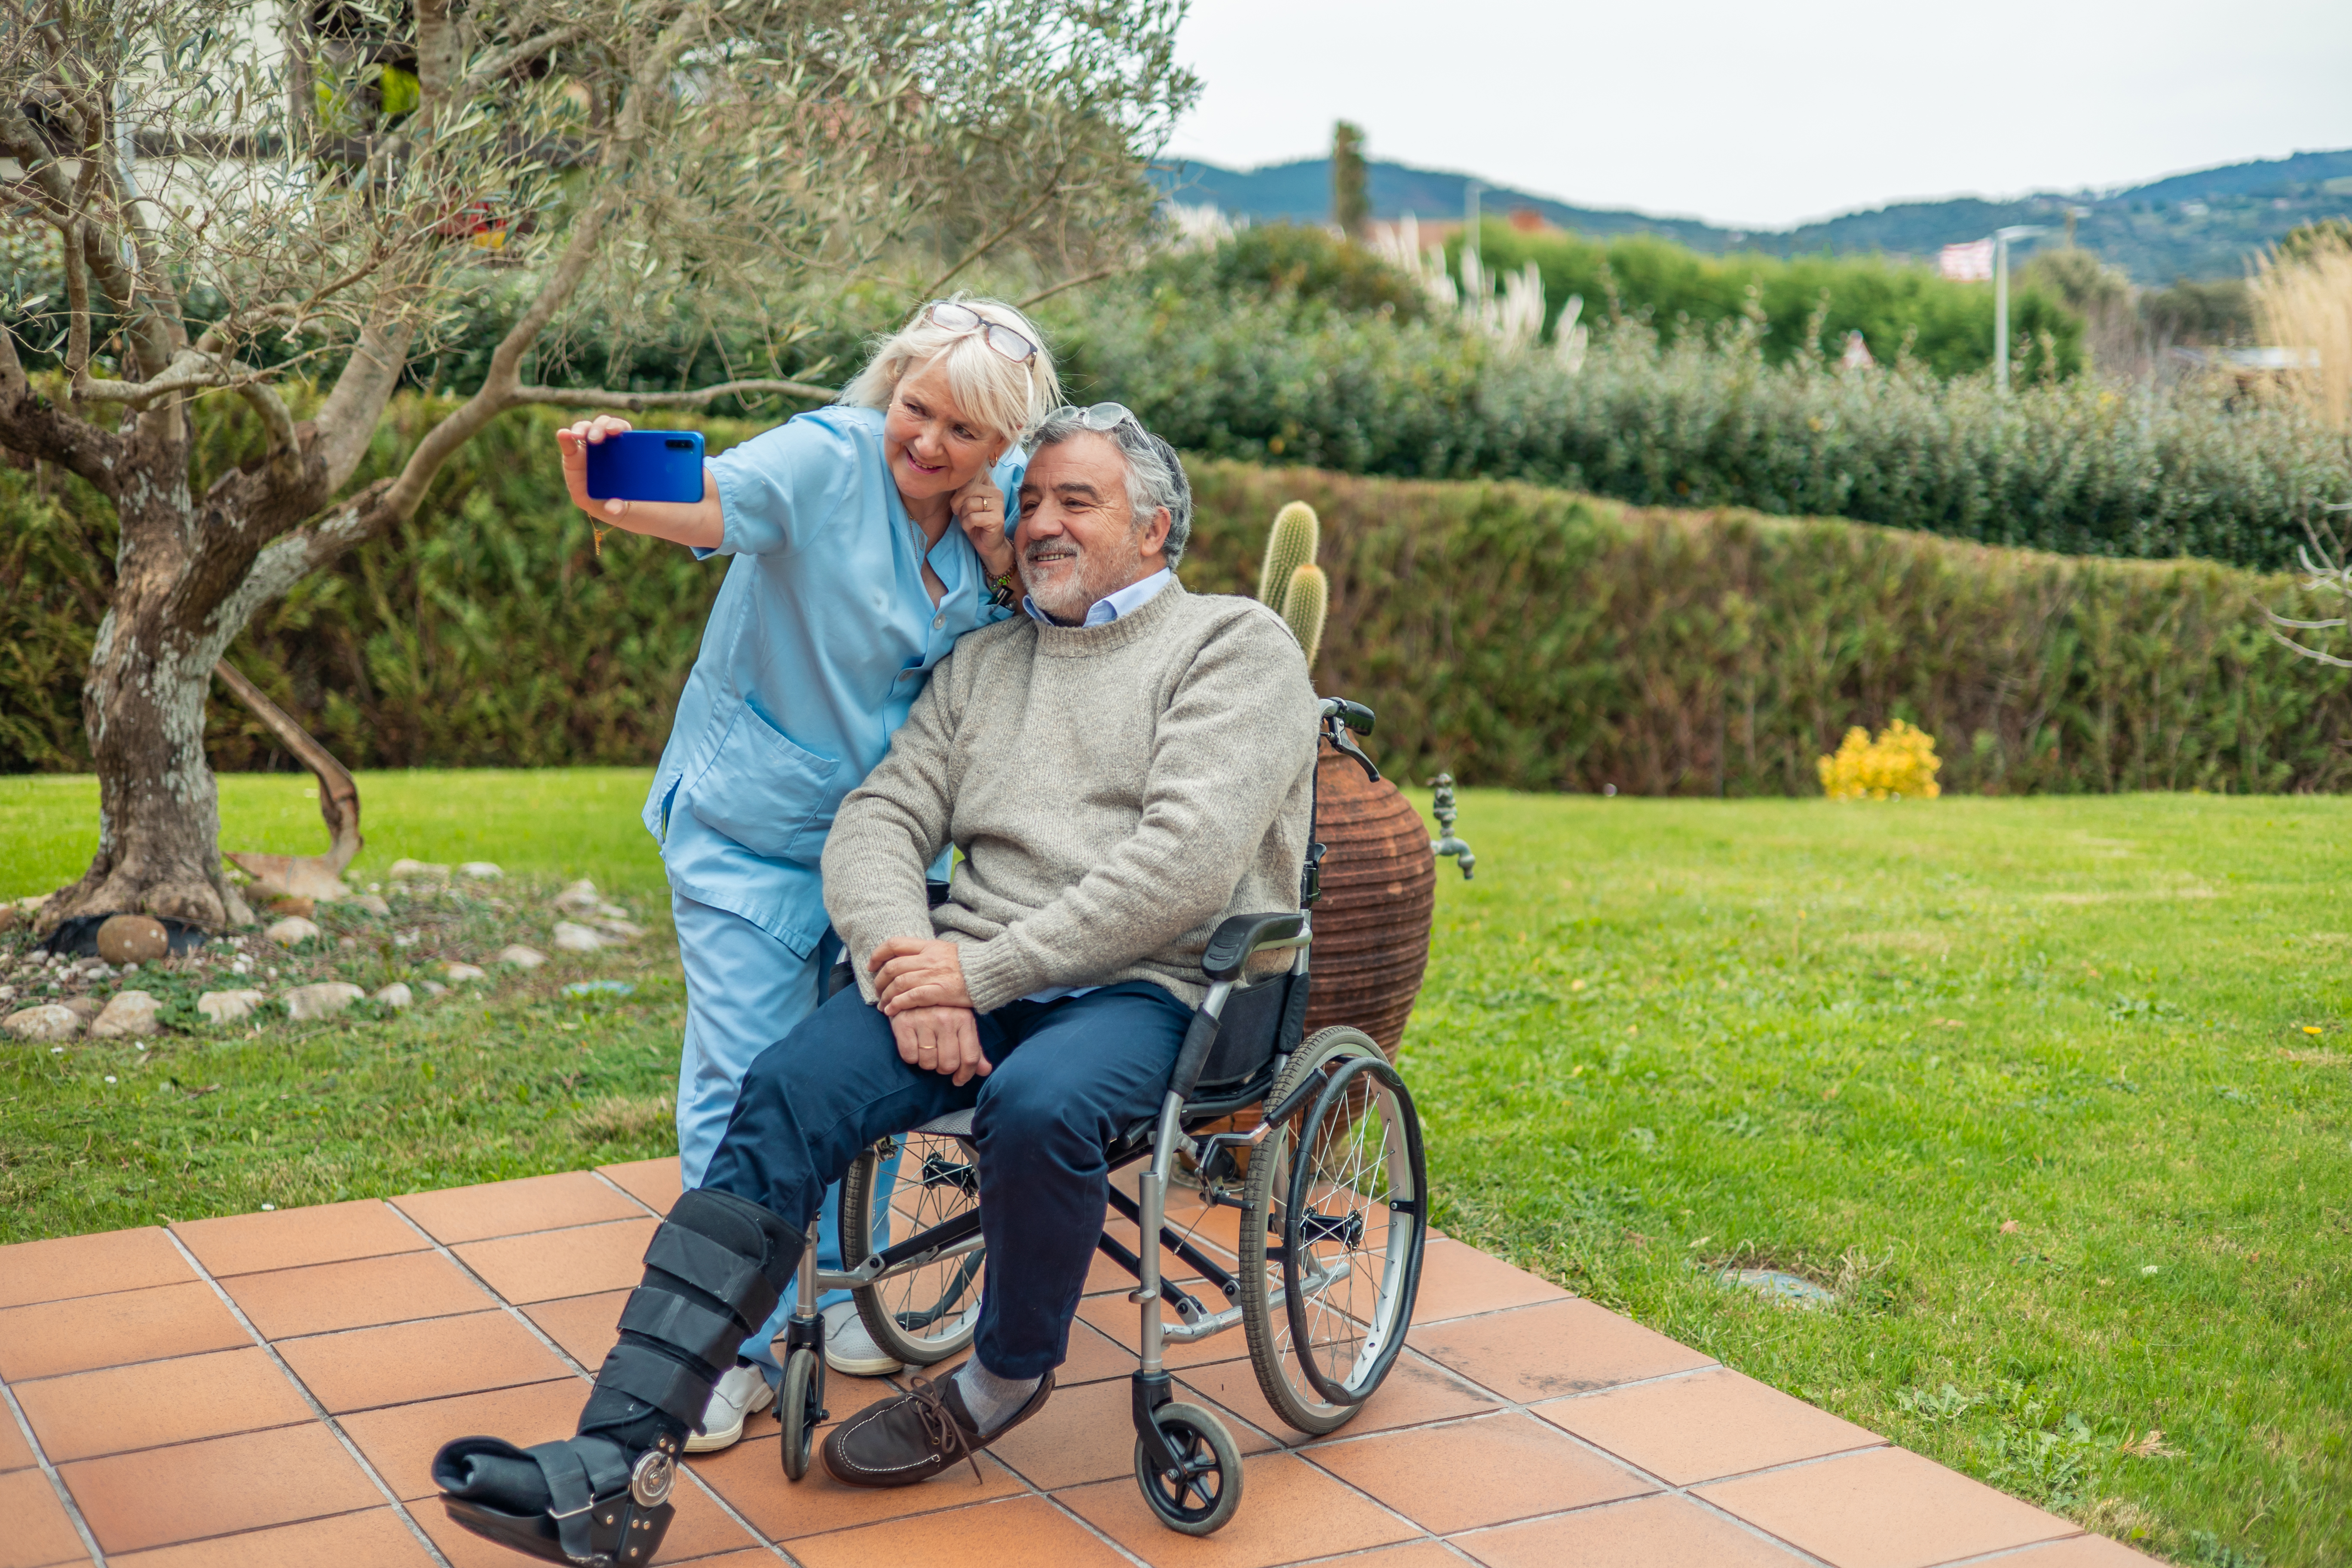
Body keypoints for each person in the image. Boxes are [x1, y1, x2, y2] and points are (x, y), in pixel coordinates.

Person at [432, 406, 1318, 1564]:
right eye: (1033, 499)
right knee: (791, 1083)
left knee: (1039, 1109)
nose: (1042, 522)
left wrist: (977, 967)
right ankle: (619, 1455)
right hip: (969, 974)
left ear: (1155, 529)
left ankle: (1002, 1378)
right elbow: (879, 820)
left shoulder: (1233, 646)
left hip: (1154, 988)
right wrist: (917, 971)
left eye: (1077, 502)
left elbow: (1186, 865)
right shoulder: (988, 662)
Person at [555, 297, 1059, 1448]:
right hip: (751, 835)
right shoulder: (830, 456)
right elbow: (716, 498)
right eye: (916, 410)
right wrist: (609, 460)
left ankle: (834, 1297)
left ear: (1003, 440)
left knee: (848, 1072)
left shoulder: (998, 501)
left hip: (886, 854)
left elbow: (1041, 632)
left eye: (964, 434)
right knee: (743, 1082)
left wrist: (995, 549)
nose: (927, 444)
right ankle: (727, 1347)